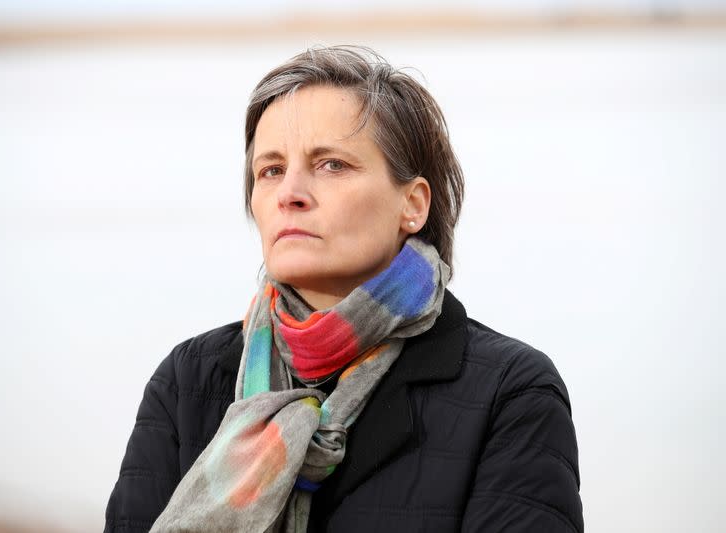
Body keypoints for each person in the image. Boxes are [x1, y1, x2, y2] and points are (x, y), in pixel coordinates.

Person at [104, 45, 583, 533]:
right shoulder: (189, 381)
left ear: (412, 205)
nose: (290, 193)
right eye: (270, 169)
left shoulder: (511, 392)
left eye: (331, 164)